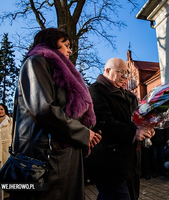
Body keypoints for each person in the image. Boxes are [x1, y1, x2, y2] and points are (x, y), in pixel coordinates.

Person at [9, 28, 101, 200]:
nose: (70, 50)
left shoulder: (60, 70)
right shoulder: (36, 62)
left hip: (64, 154)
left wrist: (86, 132)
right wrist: (82, 133)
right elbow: (43, 109)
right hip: (46, 158)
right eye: (65, 44)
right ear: (50, 42)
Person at [87, 58, 154, 200]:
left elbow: (132, 119)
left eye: (126, 72)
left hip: (126, 162)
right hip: (108, 162)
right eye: (120, 72)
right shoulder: (96, 91)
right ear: (107, 71)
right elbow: (103, 122)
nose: (125, 76)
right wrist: (134, 133)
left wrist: (145, 127)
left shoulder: (125, 94)